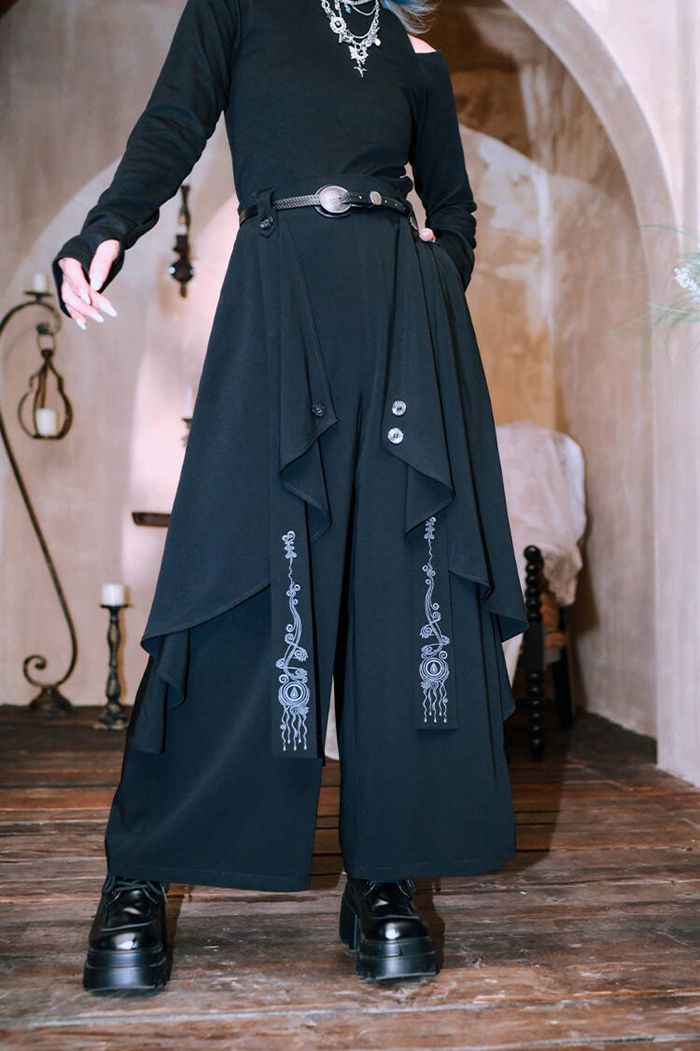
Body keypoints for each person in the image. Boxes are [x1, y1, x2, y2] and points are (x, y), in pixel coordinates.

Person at [52, 0, 528, 992]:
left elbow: (454, 208)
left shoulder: (415, 51)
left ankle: (386, 871)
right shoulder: (236, 7)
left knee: (403, 601)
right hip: (279, 305)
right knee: (236, 585)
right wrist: (107, 229)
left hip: (402, 328)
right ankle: (141, 869)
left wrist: (434, 281)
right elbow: (174, 122)